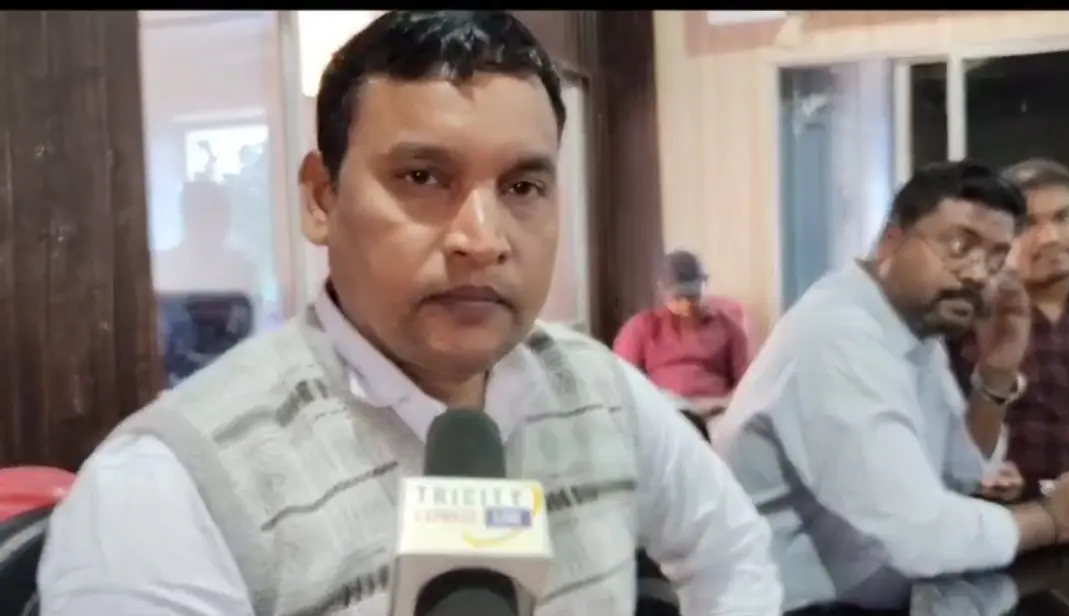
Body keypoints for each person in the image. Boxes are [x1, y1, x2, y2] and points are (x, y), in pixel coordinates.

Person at [37, 11, 781, 616]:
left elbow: (734, 555)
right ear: (321, 198)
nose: (482, 239)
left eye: (523, 188)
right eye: (423, 177)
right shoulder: (165, 494)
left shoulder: (600, 388)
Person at [711, 160, 1069, 612]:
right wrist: (1053, 520)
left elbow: (961, 473)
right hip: (789, 603)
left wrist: (997, 371)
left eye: (995, 258)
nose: (977, 274)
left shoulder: (912, 328)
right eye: (960, 245)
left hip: (873, 592)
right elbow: (919, 537)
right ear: (892, 238)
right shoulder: (836, 337)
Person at [950, 158, 1069, 489]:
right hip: (1006, 512)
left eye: (1064, 217)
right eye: (1028, 225)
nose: (1050, 238)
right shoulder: (967, 319)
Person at [613, 250, 750, 418]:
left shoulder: (728, 328)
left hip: (715, 410)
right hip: (665, 412)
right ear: (663, 293)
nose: (686, 305)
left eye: (692, 297)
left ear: (704, 287)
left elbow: (747, 384)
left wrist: (725, 405)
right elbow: (621, 379)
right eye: (678, 298)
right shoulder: (642, 327)